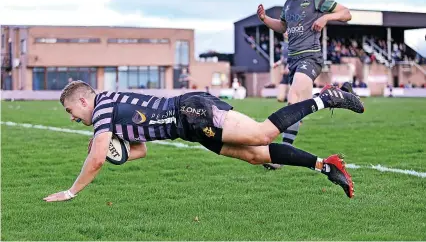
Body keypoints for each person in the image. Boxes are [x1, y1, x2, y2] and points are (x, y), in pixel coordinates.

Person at [43, 80, 364, 202]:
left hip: (192, 111)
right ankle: (326, 166)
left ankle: (326, 98)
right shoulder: (108, 113)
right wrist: (119, 152)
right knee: (256, 155)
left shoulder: (102, 109)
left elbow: (96, 160)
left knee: (262, 134)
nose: (72, 117)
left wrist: (71, 192)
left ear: (83, 102)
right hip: (190, 129)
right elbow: (139, 150)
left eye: (70, 110)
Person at [257, 0, 352, 169]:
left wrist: (327, 17)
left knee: (293, 99)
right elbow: (282, 27)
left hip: (310, 58)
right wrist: (265, 19)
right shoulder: (289, 4)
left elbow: (346, 13)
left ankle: (279, 160)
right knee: (299, 108)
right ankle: (340, 94)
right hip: (293, 62)